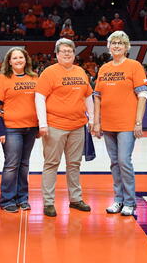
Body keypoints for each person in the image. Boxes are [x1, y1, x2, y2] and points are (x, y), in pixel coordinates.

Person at [35, 38, 94, 217]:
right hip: (55, 125)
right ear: (57, 54)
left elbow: (88, 97)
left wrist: (91, 119)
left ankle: (75, 199)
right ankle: (48, 202)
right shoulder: (49, 73)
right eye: (63, 51)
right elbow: (39, 97)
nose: (67, 53)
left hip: (77, 126)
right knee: (51, 163)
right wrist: (42, 123)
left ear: (74, 53)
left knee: (74, 164)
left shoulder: (81, 72)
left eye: (70, 51)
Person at [93, 31, 147, 217]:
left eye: (120, 43)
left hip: (127, 123)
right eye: (113, 43)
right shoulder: (104, 68)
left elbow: (142, 96)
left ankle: (130, 202)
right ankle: (118, 200)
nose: (116, 46)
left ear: (126, 47)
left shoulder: (134, 66)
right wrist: (97, 121)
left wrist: (138, 122)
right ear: (109, 46)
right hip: (108, 124)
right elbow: (98, 97)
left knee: (124, 161)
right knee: (114, 163)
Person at [0, 47, 38, 213]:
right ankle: (7, 200)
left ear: (26, 60)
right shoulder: (2, 79)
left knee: (24, 165)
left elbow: (39, 103)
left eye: (21, 57)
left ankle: (22, 198)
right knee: (11, 165)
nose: (18, 60)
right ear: (9, 62)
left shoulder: (34, 78)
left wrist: (38, 125)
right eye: (15, 58)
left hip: (30, 128)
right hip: (11, 129)